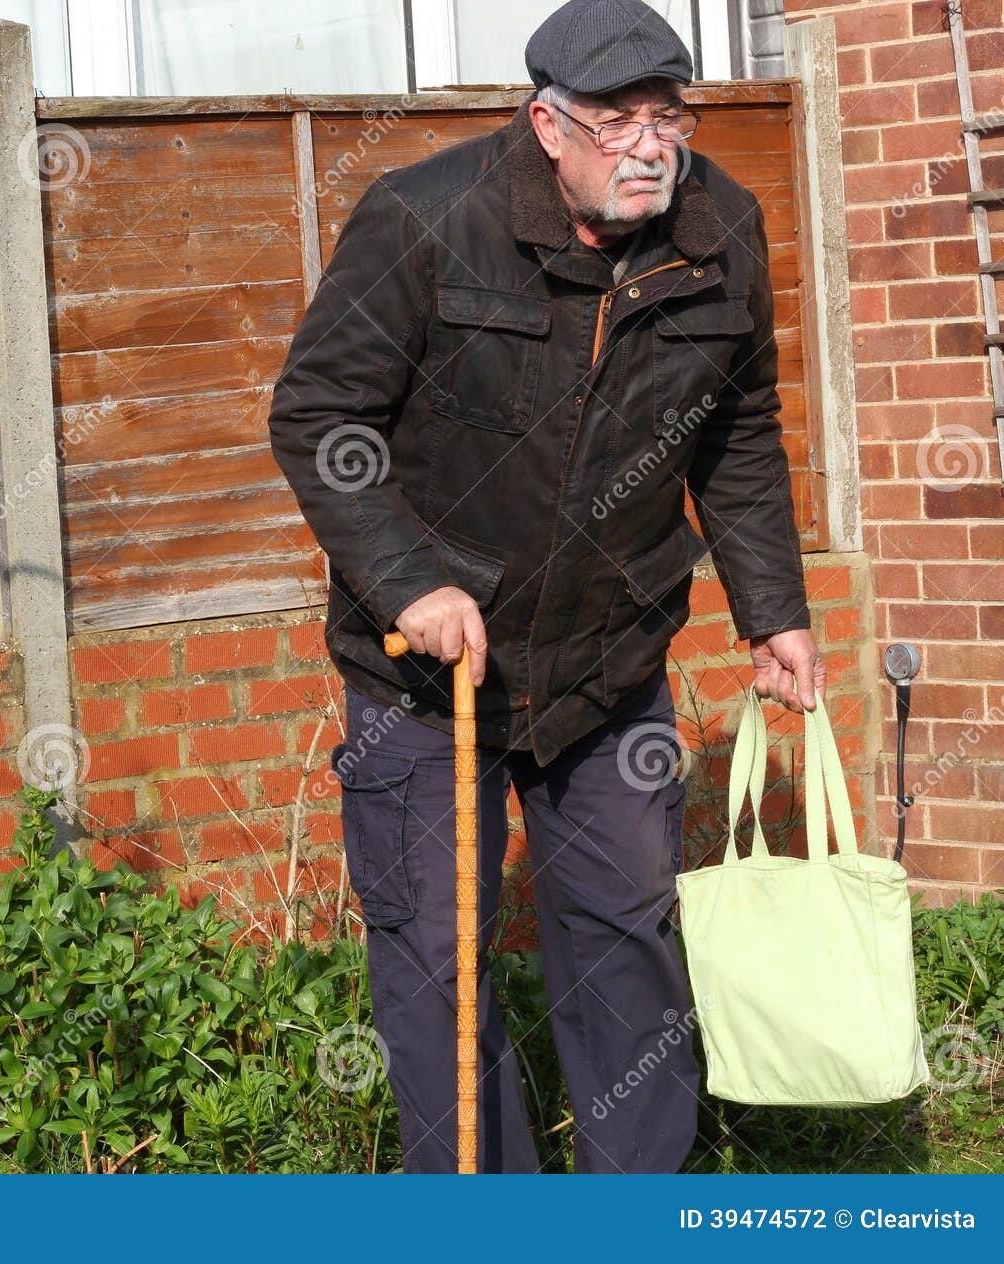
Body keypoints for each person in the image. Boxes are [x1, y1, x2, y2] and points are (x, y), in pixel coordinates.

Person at [265, 0, 827, 1173]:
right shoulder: (426, 218)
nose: (648, 147)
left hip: (607, 662)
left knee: (627, 935)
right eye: (614, 120)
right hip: (430, 676)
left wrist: (770, 610)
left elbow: (738, 430)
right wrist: (408, 583)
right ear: (546, 125)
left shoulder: (721, 227)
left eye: (665, 115)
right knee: (435, 961)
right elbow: (321, 415)